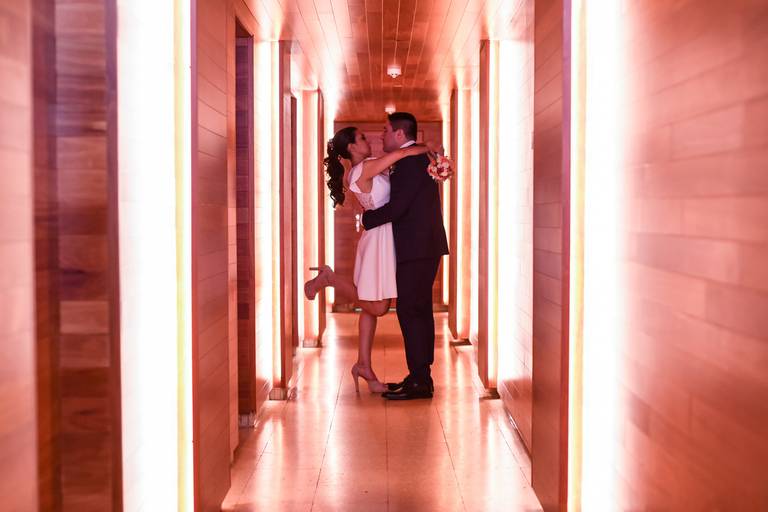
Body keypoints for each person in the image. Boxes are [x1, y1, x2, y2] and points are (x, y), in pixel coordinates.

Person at [303, 125, 431, 393]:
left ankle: (364, 365)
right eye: (361, 138)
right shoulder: (361, 170)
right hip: (377, 241)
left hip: (383, 236)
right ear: (351, 147)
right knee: (379, 306)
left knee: (370, 305)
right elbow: (399, 156)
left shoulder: (370, 165)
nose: (368, 140)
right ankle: (331, 279)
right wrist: (428, 150)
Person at [362, 112, 449, 400]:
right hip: (422, 246)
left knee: (411, 309)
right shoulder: (412, 158)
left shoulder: (409, 162)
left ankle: (420, 380)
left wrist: (367, 220)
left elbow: (398, 208)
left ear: (400, 135)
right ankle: (420, 376)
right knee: (418, 309)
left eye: (385, 130)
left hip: (418, 247)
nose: (380, 136)